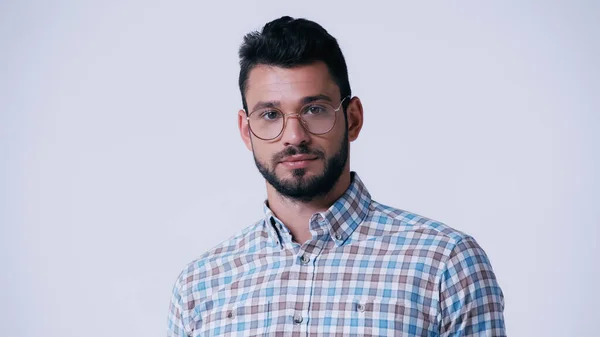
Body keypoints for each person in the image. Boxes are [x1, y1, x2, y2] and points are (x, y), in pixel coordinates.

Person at [167, 16, 506, 337]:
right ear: (246, 130)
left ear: (353, 118)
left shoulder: (445, 263)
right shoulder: (199, 285)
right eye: (270, 114)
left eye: (314, 110)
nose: (294, 136)